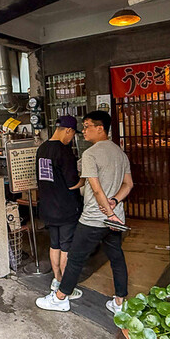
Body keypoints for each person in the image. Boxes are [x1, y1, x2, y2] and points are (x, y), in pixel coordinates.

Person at [36, 110, 133, 314]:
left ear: (100, 128)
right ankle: (119, 303)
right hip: (114, 220)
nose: (83, 130)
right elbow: (128, 184)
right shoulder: (120, 152)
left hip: (94, 219)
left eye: (88, 126)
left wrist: (108, 212)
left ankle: (61, 298)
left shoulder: (91, 154)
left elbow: (96, 189)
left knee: (75, 258)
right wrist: (115, 202)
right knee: (116, 258)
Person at [36, 116, 84, 300]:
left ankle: (56, 280)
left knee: (54, 244)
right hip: (65, 209)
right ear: (68, 131)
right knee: (66, 247)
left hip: (48, 207)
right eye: (72, 135)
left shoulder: (42, 148)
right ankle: (65, 288)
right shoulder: (64, 152)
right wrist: (86, 179)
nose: (71, 139)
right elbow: (72, 183)